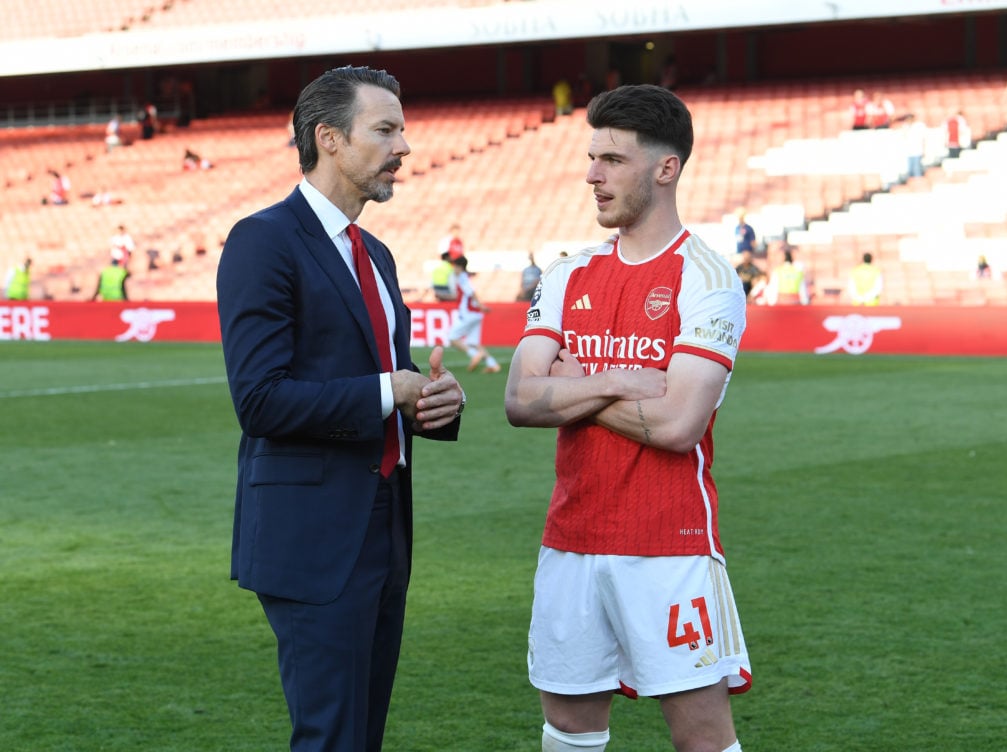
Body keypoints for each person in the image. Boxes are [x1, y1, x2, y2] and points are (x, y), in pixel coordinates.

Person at [216, 65, 465, 752]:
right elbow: (260, 400)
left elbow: (390, 379)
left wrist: (431, 401)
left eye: (403, 129)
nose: (405, 147)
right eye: (385, 129)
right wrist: (393, 390)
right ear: (329, 137)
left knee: (360, 735)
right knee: (330, 738)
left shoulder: (376, 254)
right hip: (312, 537)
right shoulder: (263, 240)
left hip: (384, 526)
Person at [504, 84, 751, 752]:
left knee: (702, 738)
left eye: (611, 159)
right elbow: (520, 401)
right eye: (592, 158)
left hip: (667, 547)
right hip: (571, 540)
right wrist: (617, 378)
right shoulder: (566, 275)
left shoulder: (708, 279)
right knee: (568, 726)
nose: (592, 175)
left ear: (664, 169)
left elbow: (677, 425)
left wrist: (571, 382)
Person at [447, 255, 500, 373]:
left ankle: (474, 355)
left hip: (468, 313)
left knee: (452, 338)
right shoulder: (465, 276)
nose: (453, 268)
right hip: (476, 314)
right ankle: (493, 364)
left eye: (454, 265)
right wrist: (480, 307)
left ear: (459, 266)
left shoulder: (461, 277)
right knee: (473, 342)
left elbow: (471, 292)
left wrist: (481, 305)